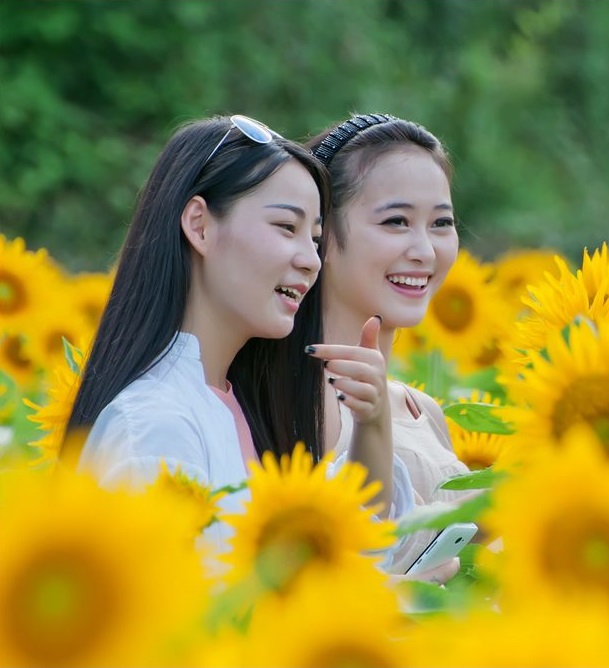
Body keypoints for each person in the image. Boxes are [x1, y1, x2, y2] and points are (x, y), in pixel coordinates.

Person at [67, 114, 416, 563]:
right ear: (199, 226)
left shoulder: (243, 408)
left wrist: (372, 423)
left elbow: (351, 557)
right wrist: (397, 598)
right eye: (286, 228)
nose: (311, 261)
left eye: (314, 239)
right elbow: (192, 617)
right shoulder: (155, 424)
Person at [303, 113, 476, 575]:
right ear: (321, 234)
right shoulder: (295, 397)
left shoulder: (424, 411)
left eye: (441, 223)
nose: (425, 250)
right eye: (397, 221)